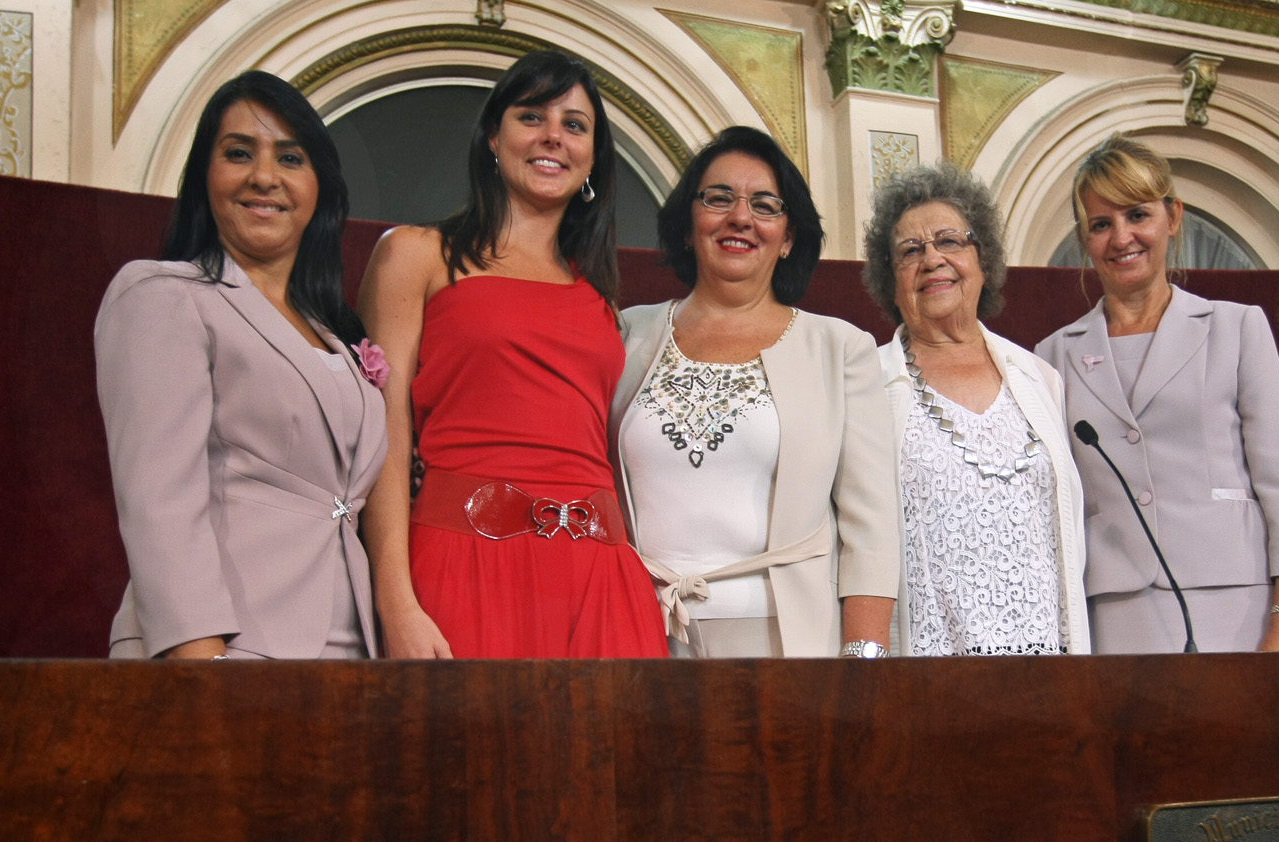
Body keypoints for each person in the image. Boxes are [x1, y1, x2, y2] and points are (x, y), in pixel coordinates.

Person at [358, 51, 666, 658]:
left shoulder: (599, 296)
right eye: (532, 116)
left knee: (615, 756)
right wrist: (395, 600)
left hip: (602, 576)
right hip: (463, 560)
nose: (554, 135)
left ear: (591, 163)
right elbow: (381, 435)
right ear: (493, 139)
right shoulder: (415, 255)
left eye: (575, 125)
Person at [95, 71, 388, 659]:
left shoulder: (336, 332)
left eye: (290, 157)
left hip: (351, 657)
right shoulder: (162, 293)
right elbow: (160, 500)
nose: (264, 176)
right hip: (226, 650)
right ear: (205, 176)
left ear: (319, 186)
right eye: (238, 153)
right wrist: (203, 667)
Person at [609, 126, 899, 658]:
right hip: (640, 632)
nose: (739, 217)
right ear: (688, 223)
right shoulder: (626, 335)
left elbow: (872, 529)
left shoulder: (839, 349)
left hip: (788, 641)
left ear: (789, 237)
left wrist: (866, 664)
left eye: (765, 205)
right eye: (719, 199)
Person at [1035, 134, 1279, 654]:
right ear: (1085, 239)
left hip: (1240, 604)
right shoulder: (1051, 356)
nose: (1122, 237)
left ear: (1173, 216)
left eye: (1137, 215)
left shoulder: (1237, 328)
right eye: (1102, 224)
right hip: (1113, 612)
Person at [860, 163, 1091, 656]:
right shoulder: (866, 384)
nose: (931, 260)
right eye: (909, 251)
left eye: (950, 241)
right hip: (926, 674)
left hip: (1048, 669)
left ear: (982, 260)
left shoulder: (1040, 378)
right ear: (890, 278)